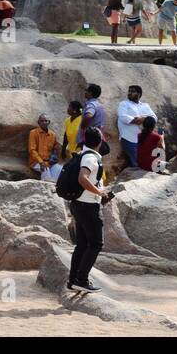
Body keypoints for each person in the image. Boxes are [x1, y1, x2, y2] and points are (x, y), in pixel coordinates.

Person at [65, 127, 113, 293]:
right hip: (88, 206)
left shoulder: (82, 155)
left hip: (79, 204)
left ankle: (73, 280)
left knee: (82, 244)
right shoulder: (91, 158)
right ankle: (82, 279)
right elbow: (82, 178)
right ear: (99, 142)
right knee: (96, 244)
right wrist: (99, 192)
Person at [116, 85, 156, 170]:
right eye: (129, 91)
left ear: (139, 94)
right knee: (136, 163)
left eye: (133, 91)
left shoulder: (145, 105)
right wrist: (138, 120)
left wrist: (143, 119)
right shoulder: (124, 104)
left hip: (143, 138)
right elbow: (123, 117)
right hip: (129, 137)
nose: (129, 93)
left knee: (144, 161)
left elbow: (154, 117)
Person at [29, 114, 61, 181]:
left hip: (49, 163)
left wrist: (52, 160)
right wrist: (41, 162)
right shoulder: (33, 133)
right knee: (46, 171)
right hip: (36, 162)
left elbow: (55, 150)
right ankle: (45, 188)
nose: (44, 122)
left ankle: (54, 189)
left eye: (46, 121)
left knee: (60, 169)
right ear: (38, 122)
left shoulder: (52, 135)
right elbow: (32, 150)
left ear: (49, 122)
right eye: (42, 121)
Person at [79, 83, 107, 149]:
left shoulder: (91, 105)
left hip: (90, 138)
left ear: (90, 93)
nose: (85, 92)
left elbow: (89, 115)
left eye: (86, 90)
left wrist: (83, 127)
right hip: (97, 136)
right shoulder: (99, 105)